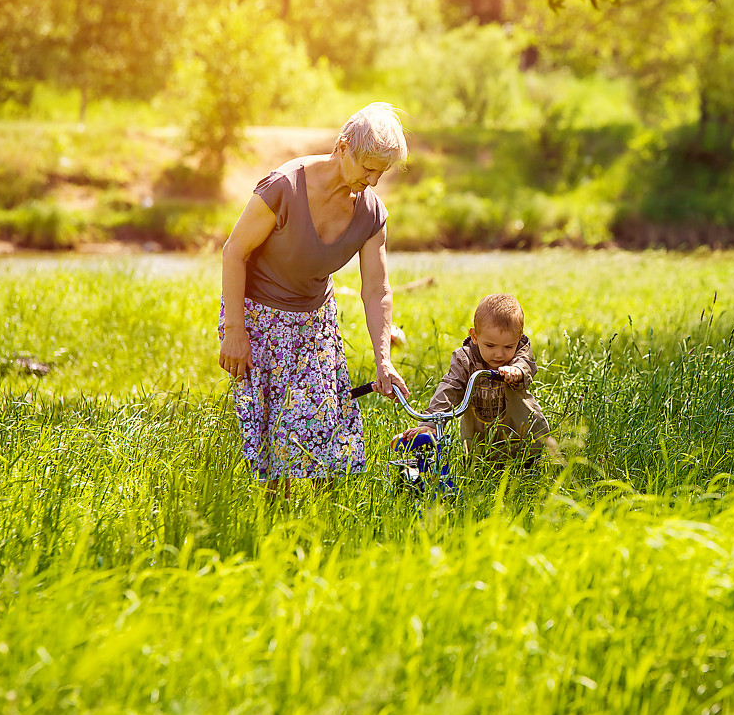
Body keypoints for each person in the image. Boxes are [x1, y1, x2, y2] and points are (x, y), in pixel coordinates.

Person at [217, 102, 411, 492]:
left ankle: (324, 528)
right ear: (343, 147)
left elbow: (377, 289)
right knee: (275, 444)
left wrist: (383, 360)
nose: (372, 181)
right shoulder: (285, 187)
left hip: (315, 323)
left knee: (327, 430)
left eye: (381, 172)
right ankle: (272, 526)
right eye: (368, 168)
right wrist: (235, 331)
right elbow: (234, 252)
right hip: (259, 318)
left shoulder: (371, 213)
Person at [395, 293, 558, 463]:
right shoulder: (465, 359)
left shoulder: (520, 352)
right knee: (479, 473)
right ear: (474, 336)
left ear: (518, 337)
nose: (499, 353)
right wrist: (431, 422)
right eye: (490, 345)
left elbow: (525, 364)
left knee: (525, 476)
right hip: (480, 443)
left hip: (522, 438)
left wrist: (516, 371)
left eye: (508, 346)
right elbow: (450, 387)